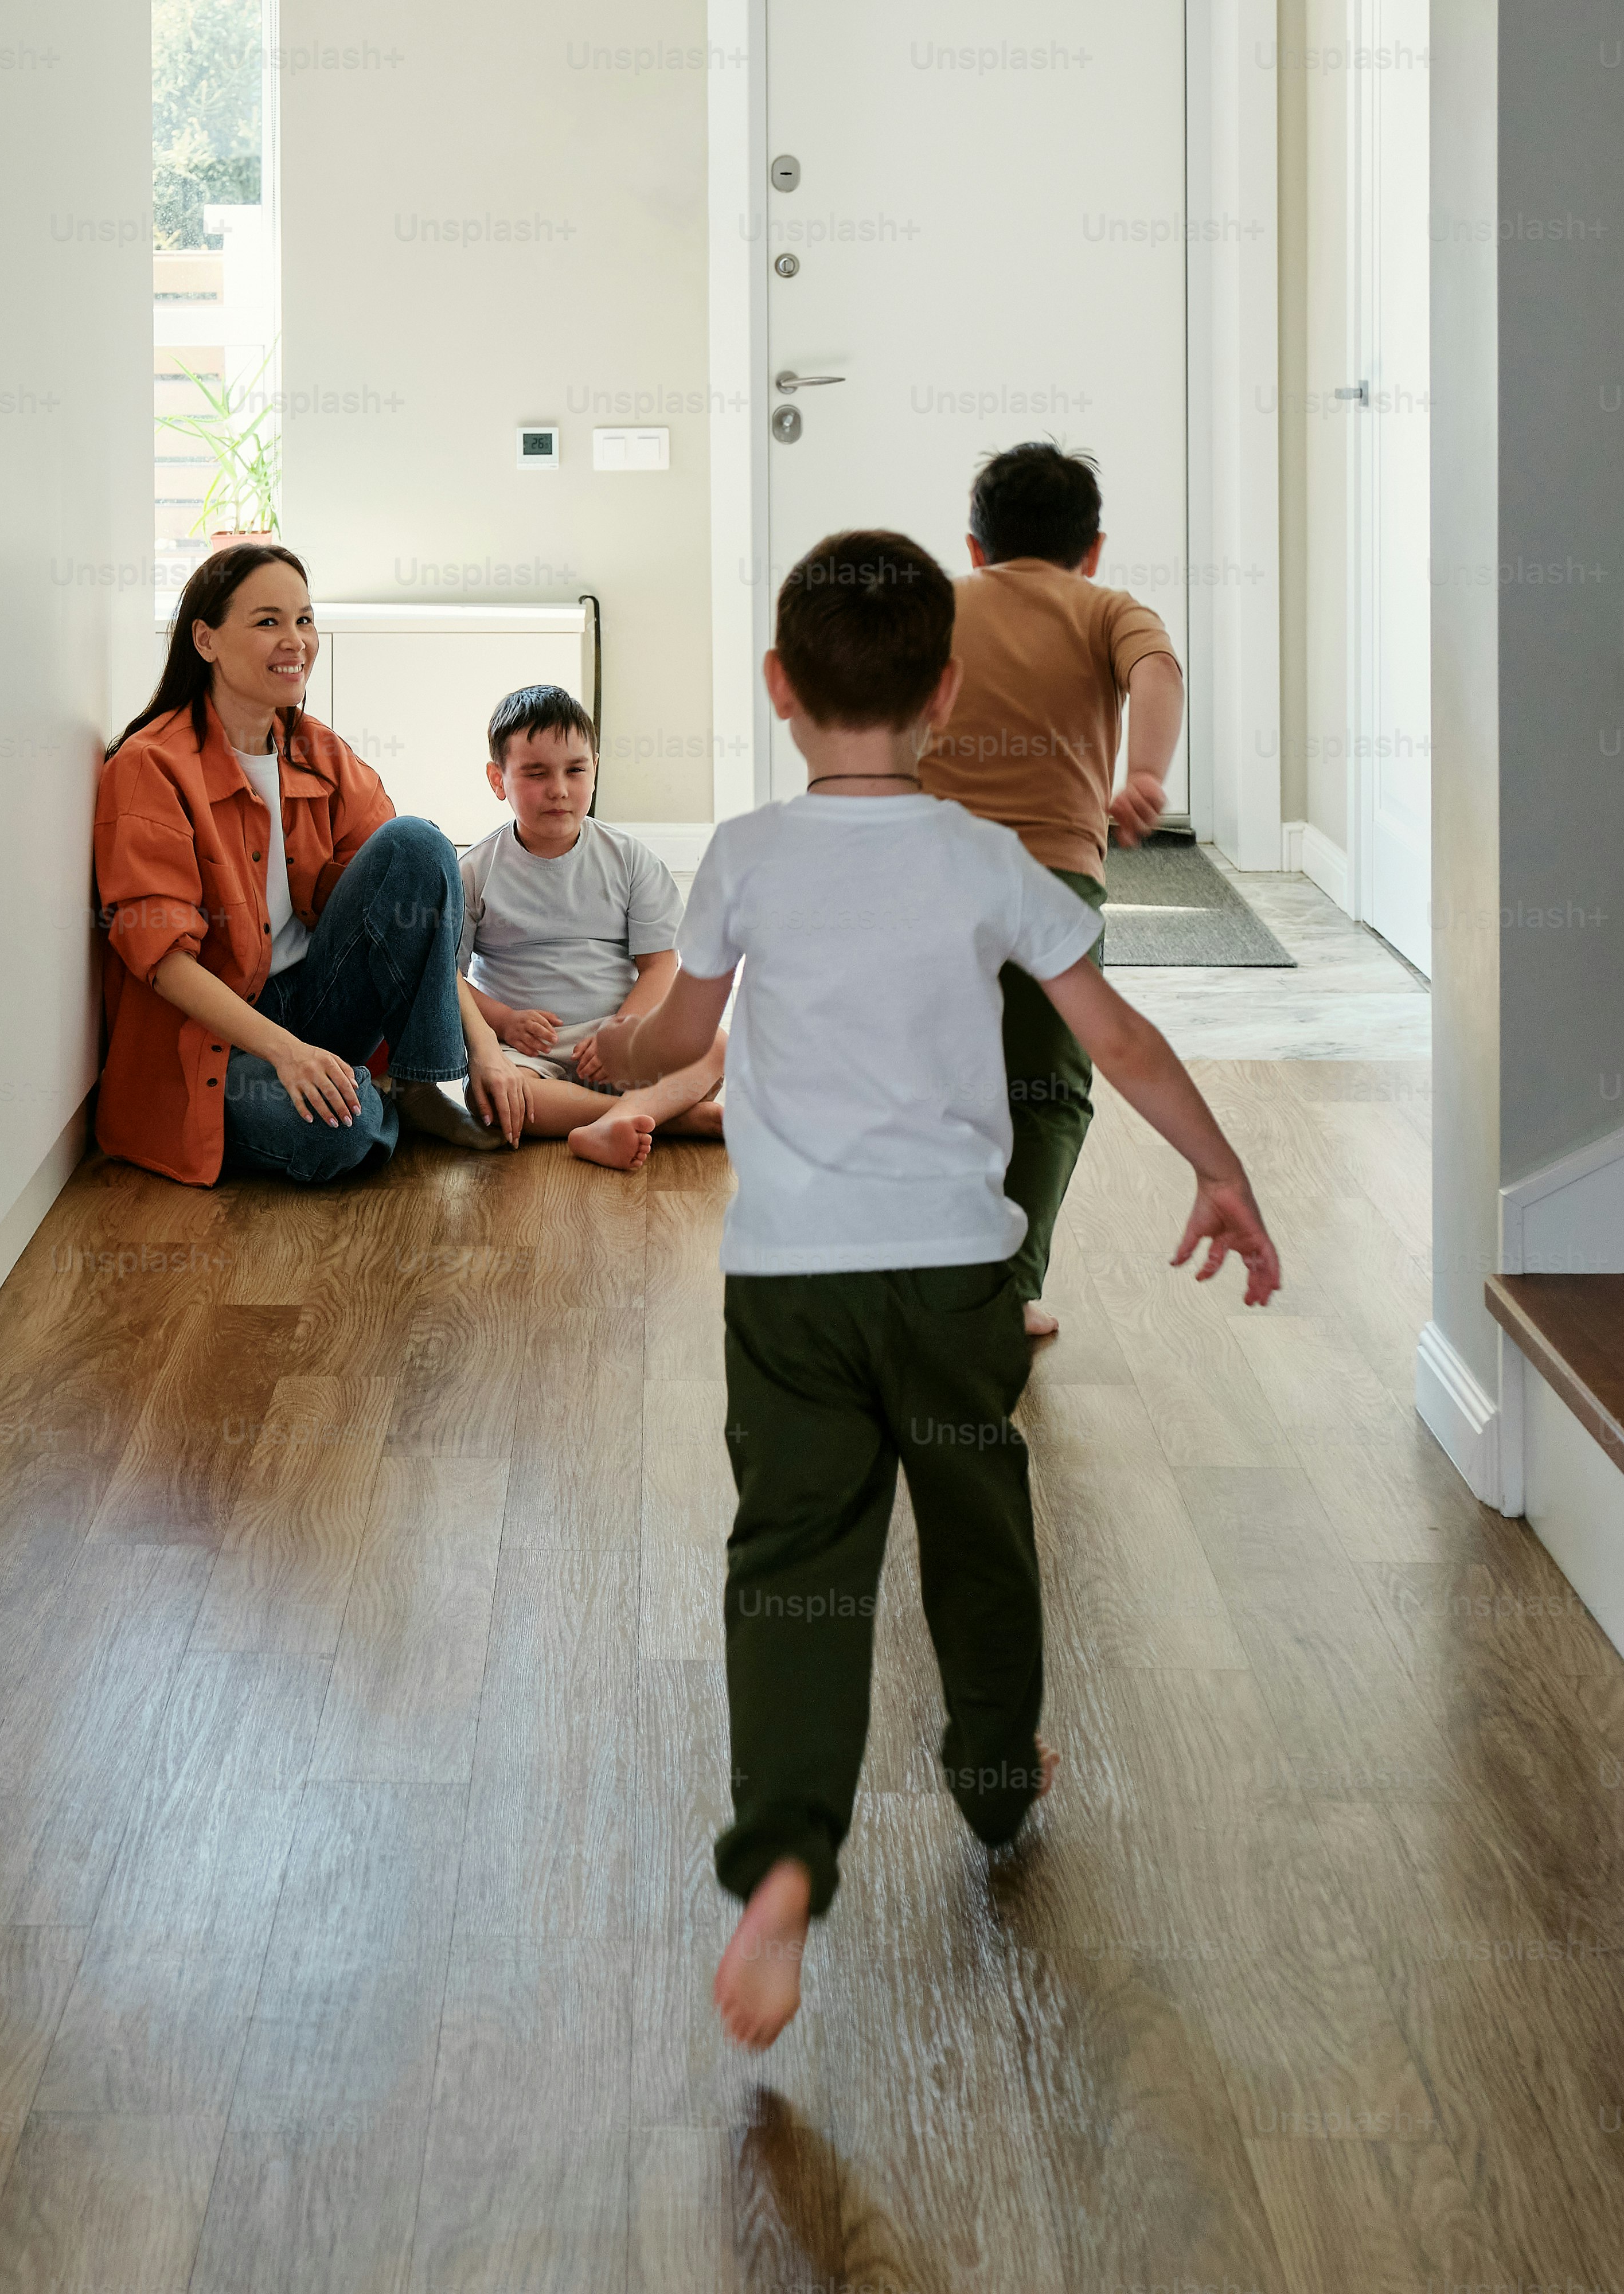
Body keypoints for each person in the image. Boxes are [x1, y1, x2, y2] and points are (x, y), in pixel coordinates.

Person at [592, 529, 1278, 2051]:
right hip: (960, 1280)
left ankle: (783, 1862)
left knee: (794, 1561)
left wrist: (614, 1060)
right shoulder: (991, 861)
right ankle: (988, 1770)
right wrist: (1219, 1172)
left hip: (791, 1291)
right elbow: (1118, 1042)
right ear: (948, 693)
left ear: (779, 690)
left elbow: (675, 1033)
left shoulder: (746, 857)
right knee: (978, 1527)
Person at [90, 544, 533, 1185]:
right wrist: (286, 1054)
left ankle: (416, 1090)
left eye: (304, 620)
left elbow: (419, 900)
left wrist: (485, 1052)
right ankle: (362, 1098)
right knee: (340, 1133)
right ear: (206, 640)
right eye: (268, 621)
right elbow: (164, 962)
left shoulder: (317, 751)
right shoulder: (149, 766)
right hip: (211, 1043)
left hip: (316, 1000)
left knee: (419, 842)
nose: (295, 640)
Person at [919, 442, 1184, 1337]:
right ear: (1094, 549)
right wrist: (1143, 773)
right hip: (1050, 887)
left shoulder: (938, 608)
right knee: (1049, 1090)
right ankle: (1006, 1291)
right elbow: (1160, 672)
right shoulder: (1109, 608)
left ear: (974, 547)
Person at [451, 684, 729, 1173]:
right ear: (498, 780)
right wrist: (504, 1021)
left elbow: (661, 964)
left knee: (719, 1045)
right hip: (527, 1051)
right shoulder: (474, 871)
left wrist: (623, 1034)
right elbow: (450, 978)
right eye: (535, 774)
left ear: (595, 769)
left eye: (575, 770)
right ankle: (666, 1120)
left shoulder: (629, 859)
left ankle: (617, 1116)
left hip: (616, 1041)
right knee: (493, 1099)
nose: (559, 788)